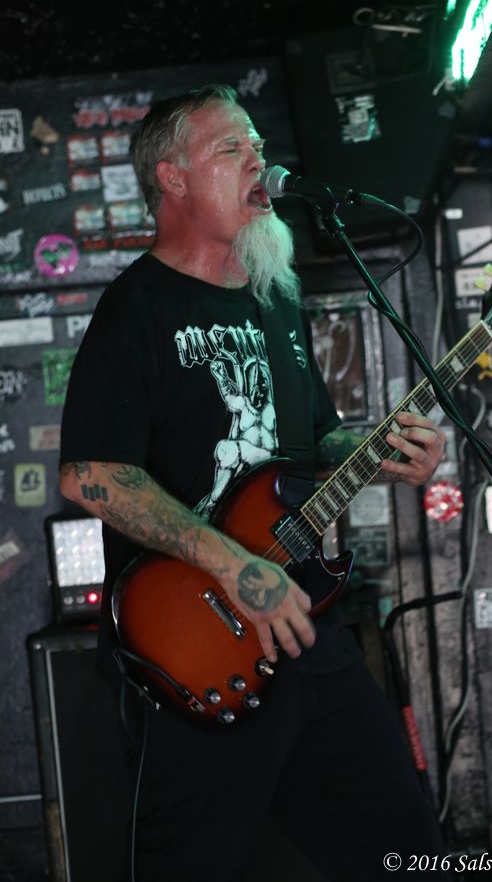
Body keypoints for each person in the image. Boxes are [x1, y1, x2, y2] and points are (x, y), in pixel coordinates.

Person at [59, 84, 448, 882]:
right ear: (173, 178)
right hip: (197, 646)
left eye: (257, 146)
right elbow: (92, 476)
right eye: (231, 148)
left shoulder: (277, 298)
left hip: (305, 628)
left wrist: (381, 448)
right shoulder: (135, 309)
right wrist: (234, 566)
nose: (257, 160)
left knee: (409, 851)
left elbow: (313, 441)